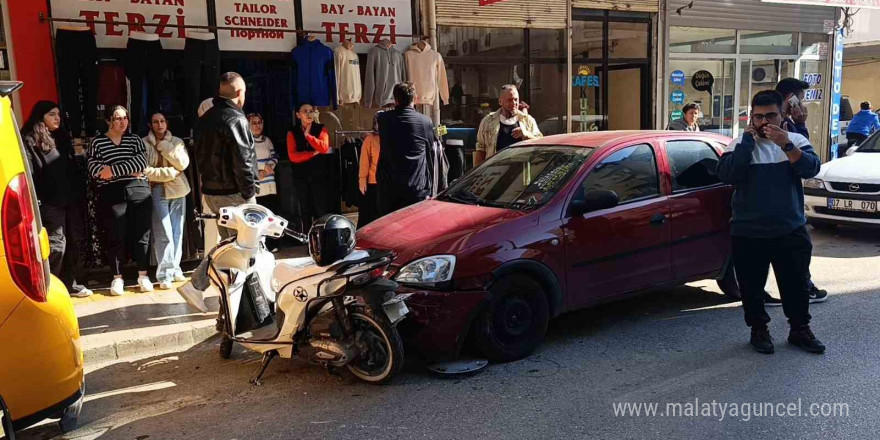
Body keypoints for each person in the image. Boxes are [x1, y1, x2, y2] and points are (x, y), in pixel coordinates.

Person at [717, 90, 825, 355]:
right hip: (748, 232)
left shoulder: (795, 140)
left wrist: (786, 144)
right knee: (752, 288)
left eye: (771, 115)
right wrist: (746, 143)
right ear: (750, 118)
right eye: (758, 116)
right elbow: (729, 174)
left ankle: (799, 330)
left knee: (796, 285)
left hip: (790, 230)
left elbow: (811, 168)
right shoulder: (737, 145)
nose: (764, 122)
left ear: (782, 114)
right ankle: (759, 331)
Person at [21, 101, 92, 298]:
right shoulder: (30, 140)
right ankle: (51, 287)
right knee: (56, 246)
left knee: (73, 242)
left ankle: (70, 284)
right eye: (52, 114)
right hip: (50, 202)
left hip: (70, 200)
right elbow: (31, 175)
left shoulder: (61, 137)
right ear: (41, 117)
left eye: (59, 114)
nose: (57, 118)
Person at [773, 78, 829, 306]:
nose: (802, 105)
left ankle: (805, 287)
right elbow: (805, 158)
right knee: (797, 249)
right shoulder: (782, 126)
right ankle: (804, 288)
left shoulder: (785, 123)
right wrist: (800, 124)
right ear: (790, 98)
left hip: (786, 200)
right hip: (784, 202)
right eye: (799, 99)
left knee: (794, 250)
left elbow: (807, 163)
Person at [87, 105, 153, 296]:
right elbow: (95, 170)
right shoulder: (98, 143)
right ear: (109, 120)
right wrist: (126, 169)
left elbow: (142, 163)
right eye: (117, 118)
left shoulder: (135, 140)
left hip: (139, 188)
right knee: (116, 235)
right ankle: (117, 278)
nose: (122, 122)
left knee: (142, 233)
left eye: (125, 118)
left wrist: (112, 170)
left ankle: (143, 275)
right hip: (111, 192)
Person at [194, 72, 258, 239]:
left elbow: (199, 157)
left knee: (228, 246)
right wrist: (249, 192)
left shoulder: (204, 119)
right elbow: (243, 161)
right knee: (246, 246)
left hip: (211, 193)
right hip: (234, 193)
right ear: (239, 92)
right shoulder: (236, 119)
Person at [143, 112, 190, 290]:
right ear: (150, 125)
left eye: (162, 121)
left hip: (178, 190)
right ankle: (164, 274)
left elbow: (183, 163)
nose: (160, 124)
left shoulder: (176, 141)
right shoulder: (144, 143)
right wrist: (169, 173)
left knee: (177, 232)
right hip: (157, 190)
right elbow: (145, 170)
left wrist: (162, 145)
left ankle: (175, 267)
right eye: (155, 122)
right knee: (164, 233)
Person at [376, 82, 435, 215]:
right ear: (415, 98)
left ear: (395, 100)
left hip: (389, 188)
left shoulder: (383, 119)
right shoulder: (425, 122)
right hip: (416, 187)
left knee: (388, 230)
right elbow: (429, 148)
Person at [286, 102, 332, 230]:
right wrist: (312, 153)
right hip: (301, 177)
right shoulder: (292, 132)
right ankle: (307, 239)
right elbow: (293, 156)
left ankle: (323, 238)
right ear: (298, 115)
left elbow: (323, 147)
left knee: (321, 208)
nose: (308, 114)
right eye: (305, 111)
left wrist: (308, 136)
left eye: (311, 111)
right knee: (305, 209)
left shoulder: (320, 128)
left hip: (319, 176)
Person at [474, 84, 542, 167]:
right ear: (500, 101)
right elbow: (481, 150)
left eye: (516, 100)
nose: (514, 103)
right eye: (510, 100)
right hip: (495, 172)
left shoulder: (528, 120)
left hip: (520, 173)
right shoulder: (488, 121)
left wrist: (526, 135)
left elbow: (541, 145)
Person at [249, 112, 281, 249]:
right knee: (259, 216)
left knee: (272, 215)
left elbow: (274, 156)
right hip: (258, 185)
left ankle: (274, 244)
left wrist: (270, 166)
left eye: (259, 123)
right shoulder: (247, 141)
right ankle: (261, 246)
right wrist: (260, 170)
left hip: (269, 184)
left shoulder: (266, 140)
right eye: (254, 123)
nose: (257, 126)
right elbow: (247, 161)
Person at [357, 113, 382, 228]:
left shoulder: (392, 137)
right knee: (371, 217)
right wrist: (362, 180)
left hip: (388, 183)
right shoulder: (370, 139)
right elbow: (364, 162)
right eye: (378, 122)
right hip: (373, 183)